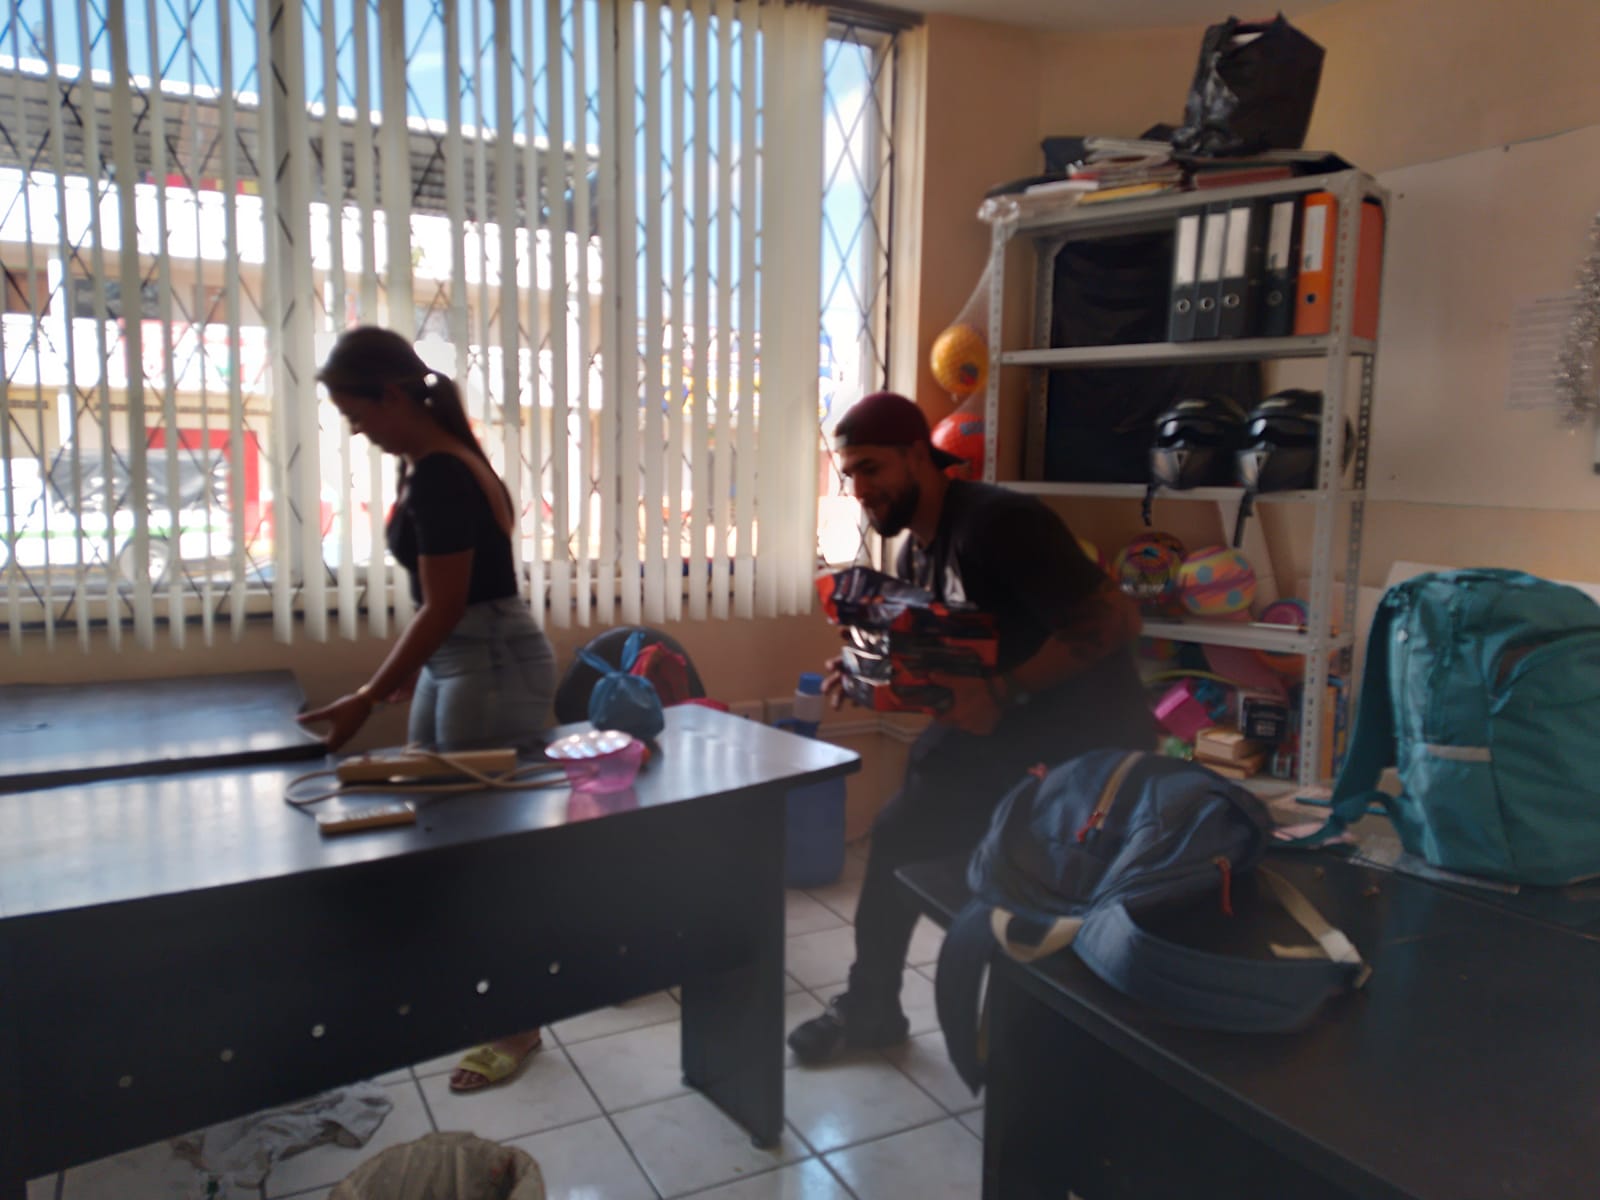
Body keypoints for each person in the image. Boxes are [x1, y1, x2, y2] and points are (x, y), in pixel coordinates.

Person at [788, 391, 1155, 1066]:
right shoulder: (916, 555)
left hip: (1084, 741)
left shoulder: (999, 523)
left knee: (1003, 875)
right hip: (1008, 728)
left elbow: (1114, 621)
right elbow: (943, 661)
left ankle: (1046, 1030)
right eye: (850, 474)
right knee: (900, 831)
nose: (859, 489)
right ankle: (872, 1007)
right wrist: (867, 672)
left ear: (916, 456)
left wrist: (1003, 690)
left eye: (871, 468)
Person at [297, 326, 555, 1093]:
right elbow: (445, 608)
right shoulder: (432, 463)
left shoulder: (443, 471)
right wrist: (414, 668)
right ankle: (476, 996)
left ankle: (518, 1024)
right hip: (463, 656)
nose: (357, 430)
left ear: (393, 394)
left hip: (490, 662)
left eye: (357, 414)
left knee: (483, 854)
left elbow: (446, 605)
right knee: (437, 836)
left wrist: (365, 697)